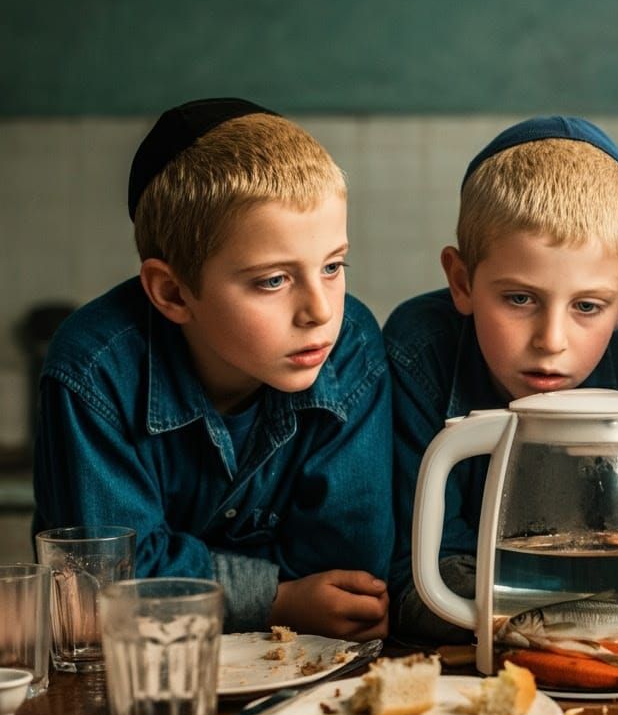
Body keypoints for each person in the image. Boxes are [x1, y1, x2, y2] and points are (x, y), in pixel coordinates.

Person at [33, 98, 392, 639]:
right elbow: (104, 584)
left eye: (333, 267)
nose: (320, 311)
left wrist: (180, 575)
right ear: (173, 292)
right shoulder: (94, 371)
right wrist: (278, 599)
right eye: (273, 280)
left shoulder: (352, 345)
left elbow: (350, 575)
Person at [384, 116, 618, 643]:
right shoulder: (420, 352)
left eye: (588, 306)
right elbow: (413, 579)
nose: (551, 339)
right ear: (461, 281)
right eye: (520, 299)